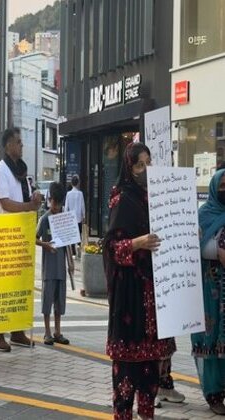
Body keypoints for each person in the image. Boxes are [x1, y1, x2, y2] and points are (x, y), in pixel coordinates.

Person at [103, 142, 176, 420]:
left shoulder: (155, 197)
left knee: (150, 373)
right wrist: (137, 243)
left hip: (154, 296)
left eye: (148, 163)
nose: (144, 170)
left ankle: (148, 414)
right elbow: (109, 247)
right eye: (138, 165)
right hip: (130, 297)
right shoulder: (121, 198)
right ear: (128, 166)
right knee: (125, 376)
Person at [0, 127, 42, 352]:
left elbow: (23, 199)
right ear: (8, 145)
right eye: (18, 142)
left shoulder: (21, 170)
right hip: (4, 235)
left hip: (20, 236)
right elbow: (5, 203)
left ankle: (18, 331)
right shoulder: (2, 169)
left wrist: (35, 198)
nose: (21, 146)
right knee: (3, 286)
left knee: (19, 285)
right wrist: (29, 206)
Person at [194, 168, 225, 415]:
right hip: (207, 289)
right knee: (211, 339)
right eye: (222, 185)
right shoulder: (202, 217)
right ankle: (213, 394)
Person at [36, 182, 73, 346]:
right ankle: (47, 332)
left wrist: (71, 262)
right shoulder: (44, 219)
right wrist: (45, 245)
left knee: (59, 302)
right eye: (54, 203)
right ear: (49, 200)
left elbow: (69, 243)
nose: (56, 206)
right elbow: (33, 238)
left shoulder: (64, 218)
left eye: (59, 203)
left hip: (61, 270)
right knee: (47, 301)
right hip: (48, 270)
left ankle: (58, 332)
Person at [64, 175, 85, 259]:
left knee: (72, 235)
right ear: (78, 183)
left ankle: (73, 253)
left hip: (71, 217)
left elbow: (66, 207)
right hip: (78, 217)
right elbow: (83, 205)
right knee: (79, 233)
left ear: (71, 183)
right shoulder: (80, 193)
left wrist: (66, 216)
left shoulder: (68, 194)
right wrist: (84, 215)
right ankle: (79, 247)